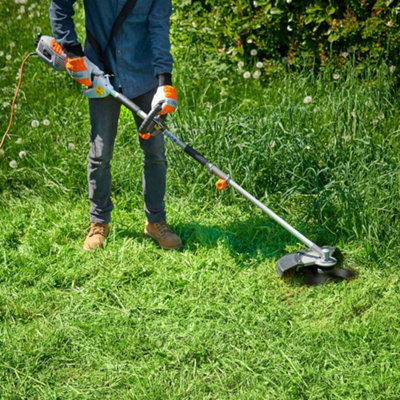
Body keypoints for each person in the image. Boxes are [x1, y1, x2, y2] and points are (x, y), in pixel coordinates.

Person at [49, 0, 182, 251]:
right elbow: (60, 6)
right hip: (100, 72)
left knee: (155, 152)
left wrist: (165, 80)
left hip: (145, 76)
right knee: (100, 154)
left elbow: (159, 29)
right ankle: (98, 222)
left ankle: (156, 221)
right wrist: (74, 52)